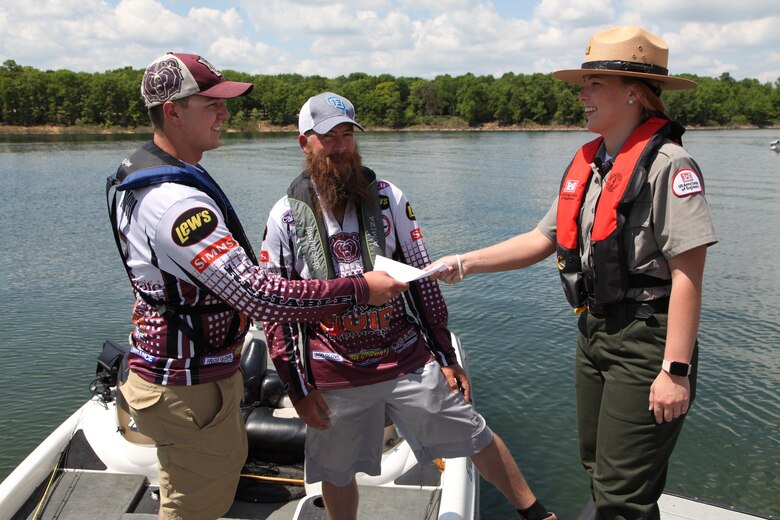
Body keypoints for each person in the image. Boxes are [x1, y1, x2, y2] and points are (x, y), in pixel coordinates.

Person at [429, 26, 718, 519]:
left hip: (648, 340)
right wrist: (461, 264)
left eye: (593, 84)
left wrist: (675, 371)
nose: (581, 95)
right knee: (597, 468)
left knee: (623, 492)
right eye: (582, 84)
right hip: (593, 334)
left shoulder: (670, 165)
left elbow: (689, 273)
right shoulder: (592, 163)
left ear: (633, 92)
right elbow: (542, 239)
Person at [106, 54, 406, 520]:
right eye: (212, 104)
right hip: (186, 386)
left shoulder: (148, 179)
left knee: (195, 487)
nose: (225, 114)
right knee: (194, 507)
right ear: (172, 110)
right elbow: (260, 295)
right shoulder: (173, 203)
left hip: (185, 372)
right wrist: (359, 289)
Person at [259, 92, 556, 520]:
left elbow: (423, 280)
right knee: (337, 471)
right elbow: (276, 313)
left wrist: (446, 356)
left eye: (347, 135)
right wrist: (298, 389)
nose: (342, 147)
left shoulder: (388, 199)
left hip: (403, 357)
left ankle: (538, 514)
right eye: (329, 137)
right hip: (333, 368)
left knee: (476, 434)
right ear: (305, 143)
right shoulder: (284, 216)